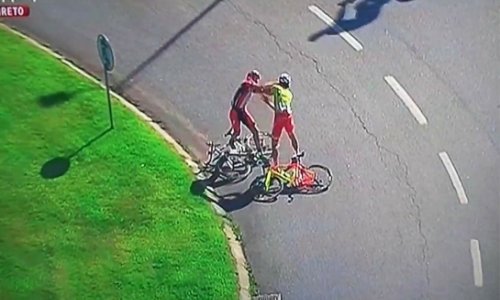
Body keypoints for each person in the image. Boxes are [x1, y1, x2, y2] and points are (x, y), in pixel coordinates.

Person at [262, 73, 299, 166]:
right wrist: (268, 103)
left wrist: (275, 83)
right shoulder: (289, 94)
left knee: (274, 142)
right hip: (288, 116)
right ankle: (297, 153)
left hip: (279, 118)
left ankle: (275, 164)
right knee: (291, 135)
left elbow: (265, 89)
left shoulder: (277, 89)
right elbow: (279, 107)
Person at [227, 70, 267, 154]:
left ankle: (259, 150)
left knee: (255, 130)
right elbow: (253, 86)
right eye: (256, 78)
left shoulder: (251, 87)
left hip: (242, 111)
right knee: (237, 132)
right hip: (235, 112)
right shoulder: (246, 83)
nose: (257, 81)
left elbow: (259, 90)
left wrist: (267, 94)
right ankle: (231, 144)